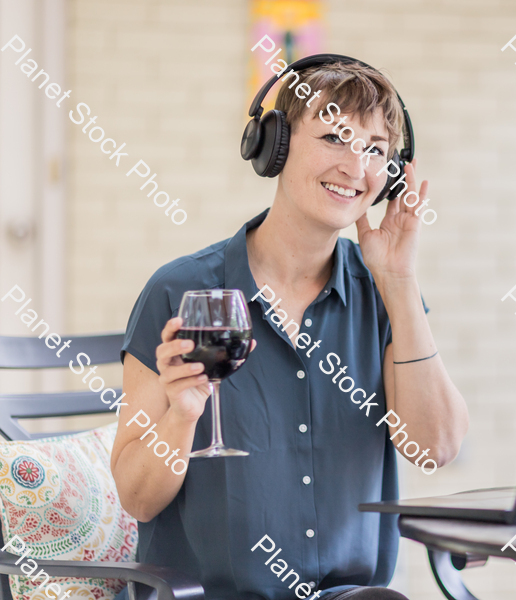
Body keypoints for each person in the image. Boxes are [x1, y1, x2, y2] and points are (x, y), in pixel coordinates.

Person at [110, 58, 469, 600]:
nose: (356, 165)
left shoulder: (383, 294)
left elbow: (434, 447)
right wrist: (183, 415)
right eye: (334, 138)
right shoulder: (180, 292)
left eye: (375, 149)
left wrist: (398, 279)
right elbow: (137, 498)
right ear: (274, 147)